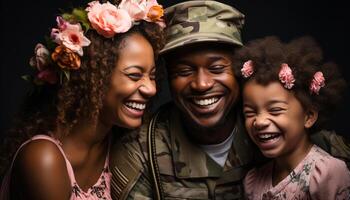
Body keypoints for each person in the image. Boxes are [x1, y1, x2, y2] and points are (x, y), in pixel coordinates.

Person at [109, 1, 350, 199]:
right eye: (184, 71)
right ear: (167, 78)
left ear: (239, 70)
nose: (202, 84)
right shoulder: (142, 151)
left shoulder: (286, 135)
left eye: (216, 68)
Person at [0, 0, 165, 199]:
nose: (151, 89)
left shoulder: (122, 147)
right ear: (94, 77)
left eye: (153, 76)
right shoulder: (44, 159)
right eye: (134, 75)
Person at [235, 36, 350, 199]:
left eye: (275, 110)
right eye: (250, 113)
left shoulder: (326, 174)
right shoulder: (252, 182)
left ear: (308, 116)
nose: (259, 122)